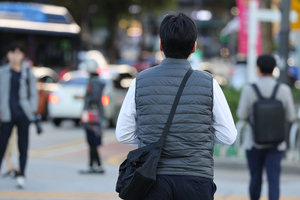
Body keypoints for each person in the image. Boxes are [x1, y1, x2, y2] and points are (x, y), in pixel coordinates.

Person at [116, 12, 237, 200]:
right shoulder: (208, 83)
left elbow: (123, 133)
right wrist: (198, 135)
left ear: (161, 45)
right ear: (194, 47)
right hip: (196, 181)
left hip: (152, 181)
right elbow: (228, 136)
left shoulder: (140, 81)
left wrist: (149, 137)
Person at [237, 54, 296, 200]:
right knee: (274, 179)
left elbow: (241, 115)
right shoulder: (284, 90)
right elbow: (290, 117)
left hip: (254, 142)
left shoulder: (249, 89)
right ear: (274, 68)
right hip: (277, 143)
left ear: (258, 69)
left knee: (255, 177)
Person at [0, 43, 38, 188]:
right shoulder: (2, 72)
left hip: (23, 114)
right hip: (7, 114)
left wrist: (31, 110)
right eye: (12, 53)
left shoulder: (27, 72)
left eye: (18, 53)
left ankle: (21, 174)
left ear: (22, 55)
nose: (15, 56)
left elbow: (33, 93)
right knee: (2, 144)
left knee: (23, 145)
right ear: (8, 55)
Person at [76, 59, 105, 174]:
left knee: (92, 141)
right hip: (95, 116)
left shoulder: (94, 82)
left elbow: (94, 97)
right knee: (92, 141)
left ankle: (95, 165)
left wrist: (85, 98)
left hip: (93, 117)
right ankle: (95, 165)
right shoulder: (95, 81)